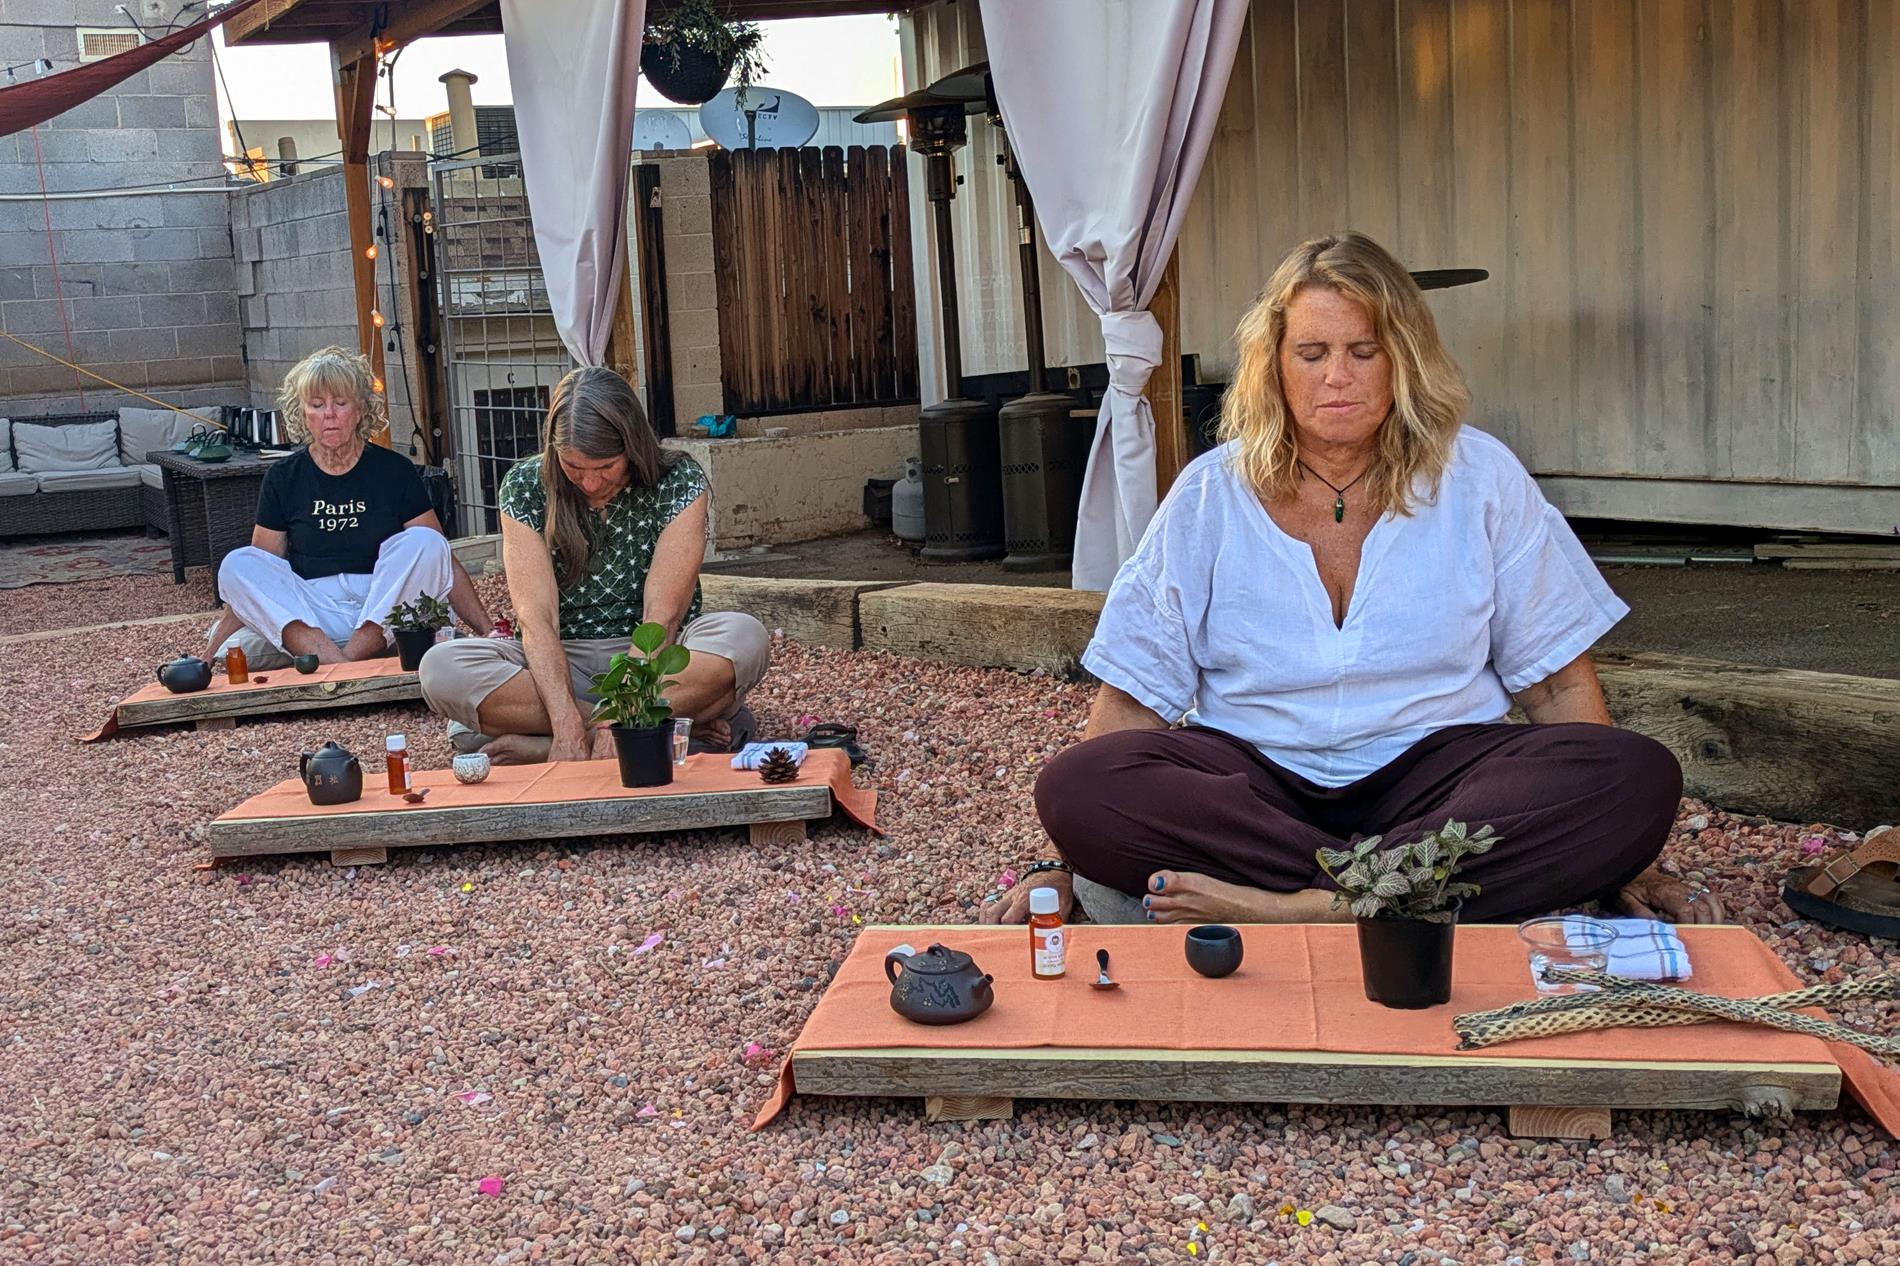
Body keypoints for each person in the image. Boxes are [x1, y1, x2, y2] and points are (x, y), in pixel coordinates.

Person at [986, 232, 1721, 929]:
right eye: (1311, 352)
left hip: (1436, 777)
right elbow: (1135, 700)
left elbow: (1557, 686)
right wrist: (1060, 857)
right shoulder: (1211, 493)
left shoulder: (1480, 475)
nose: (1336, 376)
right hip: (1258, 785)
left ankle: (1303, 906)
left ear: (1403, 359)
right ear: (1273, 364)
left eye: (1362, 350)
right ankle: (1392, 893)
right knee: (1079, 786)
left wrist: (1630, 858)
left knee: (1633, 776)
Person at [418, 366, 769, 764]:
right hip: (557, 666)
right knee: (441, 668)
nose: (589, 483)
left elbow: (663, 616)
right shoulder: (524, 485)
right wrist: (567, 720)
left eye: (605, 468)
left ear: (632, 446)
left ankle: (544, 741)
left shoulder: (678, 480)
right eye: (574, 467)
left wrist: (616, 711)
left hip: (656, 661)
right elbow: (537, 619)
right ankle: (655, 732)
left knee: (744, 637)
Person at [206, 346, 492, 668]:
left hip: (385, 607)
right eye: (317, 405)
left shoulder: (394, 470)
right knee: (238, 563)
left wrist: (489, 631)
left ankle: (339, 663)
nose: (329, 414)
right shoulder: (282, 477)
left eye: (340, 403)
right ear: (302, 414)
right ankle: (340, 662)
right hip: (313, 615)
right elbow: (261, 576)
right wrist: (207, 655)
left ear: (359, 410)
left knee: (427, 542)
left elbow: (440, 559)